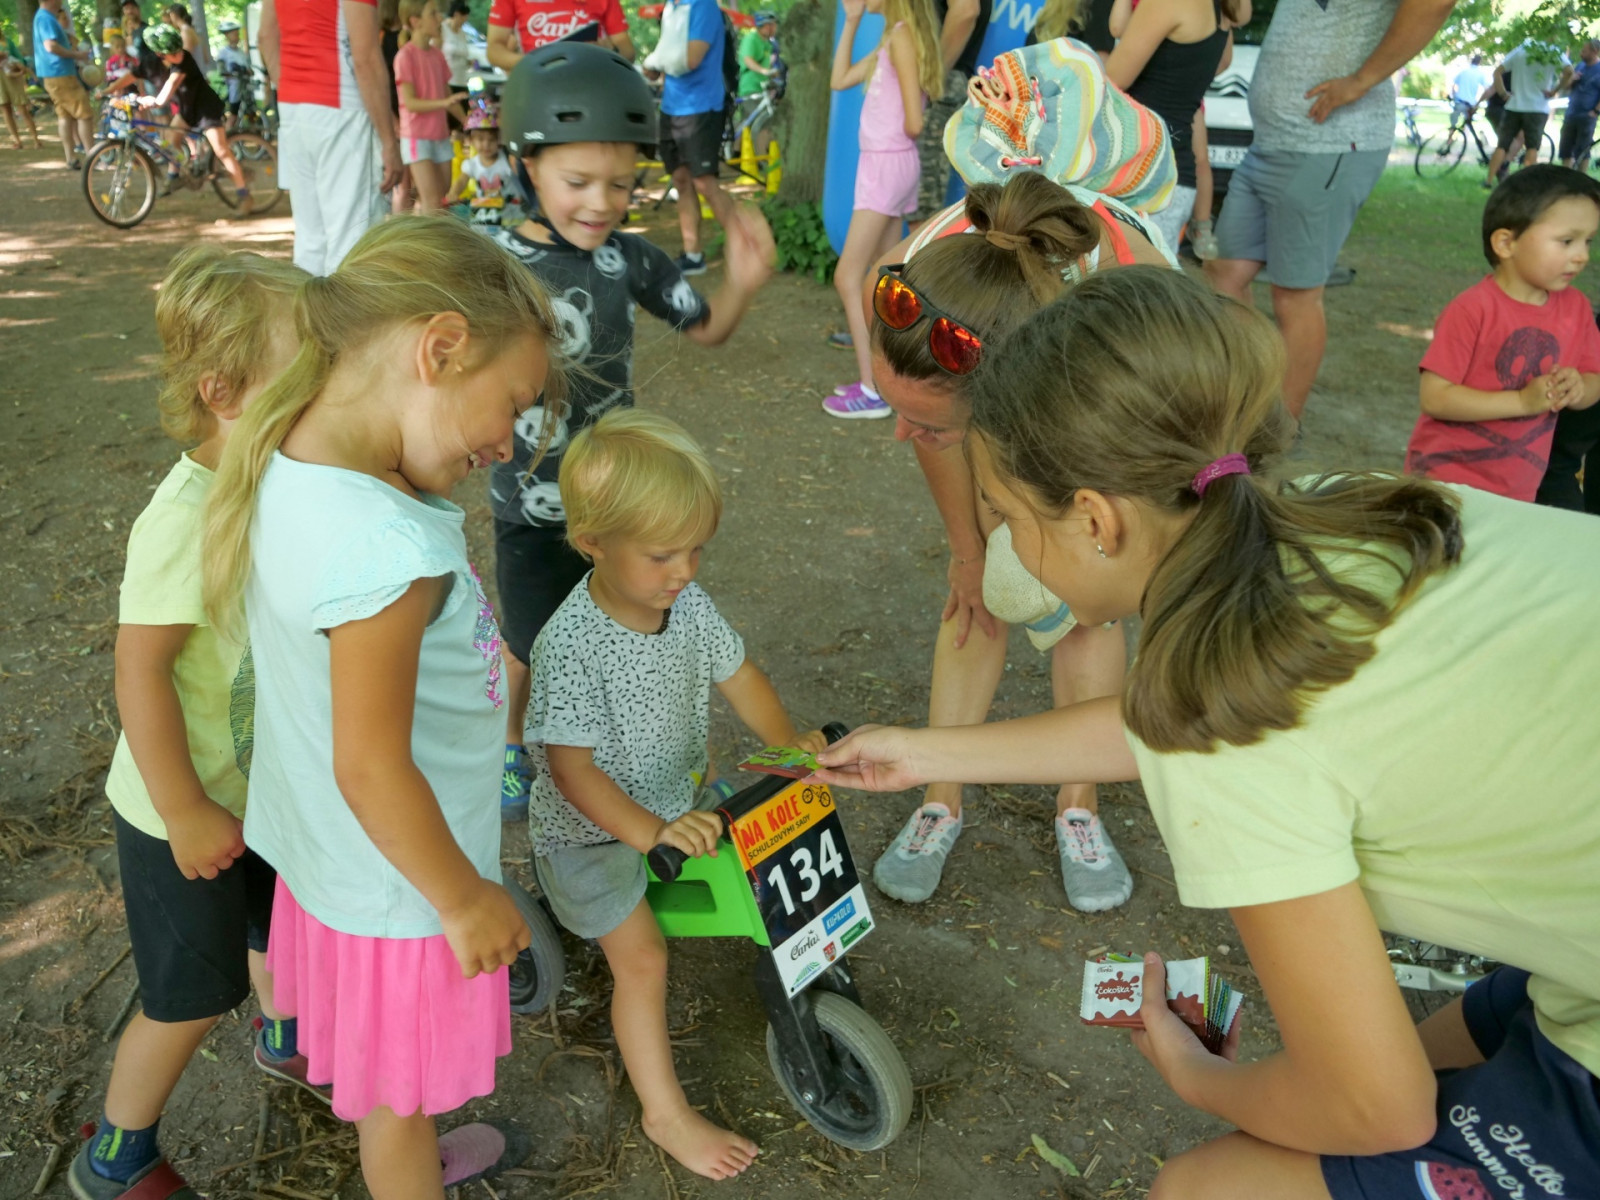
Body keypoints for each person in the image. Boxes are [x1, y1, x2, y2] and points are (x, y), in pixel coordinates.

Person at [814, 264, 1600, 1198]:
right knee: (1432, 1055)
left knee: (1203, 1187)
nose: (1009, 548)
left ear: (1096, 520)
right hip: (1575, 965)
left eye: (1011, 519)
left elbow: (1376, 1109)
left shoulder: (1233, 728)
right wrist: (924, 752)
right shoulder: (1325, 506)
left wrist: (1198, 1078)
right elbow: (1185, 725)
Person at [201, 217, 555, 1197]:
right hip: (403, 891)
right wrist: (463, 897)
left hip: (337, 865)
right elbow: (371, 764)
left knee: (384, 1078)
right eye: (511, 405)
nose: (507, 444)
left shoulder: (289, 461)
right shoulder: (384, 555)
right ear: (439, 349)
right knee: (396, 1106)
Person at [68, 248, 311, 1200]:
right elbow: (141, 671)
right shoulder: (183, 518)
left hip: (258, 789)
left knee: (277, 923)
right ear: (222, 392)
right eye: (301, 379)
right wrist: (184, 810)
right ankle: (117, 1154)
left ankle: (285, 1035)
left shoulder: (277, 483)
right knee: (189, 994)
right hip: (181, 809)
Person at [525, 408, 823, 1180]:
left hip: (674, 801)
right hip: (593, 837)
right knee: (644, 960)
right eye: (663, 554)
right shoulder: (572, 645)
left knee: (758, 848)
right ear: (592, 541)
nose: (685, 570)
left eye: (696, 549)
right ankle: (665, 1113)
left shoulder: (684, 604)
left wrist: (790, 751)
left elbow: (740, 675)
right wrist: (649, 834)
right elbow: (572, 772)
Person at [864, 172, 1175, 911]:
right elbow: (937, 437)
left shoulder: (1126, 340)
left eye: (922, 421)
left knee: (1085, 605)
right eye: (893, 408)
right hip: (1004, 374)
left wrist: (1077, 572)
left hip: (1092, 392)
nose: (900, 434)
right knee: (976, 589)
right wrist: (969, 552)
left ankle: (1079, 801)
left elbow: (1108, 570)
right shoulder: (924, 287)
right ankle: (940, 793)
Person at [490, 42, 776, 827]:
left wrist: (742, 282)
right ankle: (511, 743)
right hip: (532, 507)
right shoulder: (495, 264)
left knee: (627, 625)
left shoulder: (632, 260)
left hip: (620, 502)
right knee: (530, 639)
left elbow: (706, 325)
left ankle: (622, 756)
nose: (601, 203)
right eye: (578, 182)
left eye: (619, 184)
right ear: (527, 166)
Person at [1204, 0, 1458, 420]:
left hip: (1329, 143)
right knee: (1223, 276)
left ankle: (1278, 431)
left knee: (1295, 296)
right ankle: (1246, 399)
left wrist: (1362, 80)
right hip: (1271, 143)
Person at [1404, 166, 1600, 502]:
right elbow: (1435, 397)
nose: (1582, 256)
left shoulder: (1577, 309)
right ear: (1506, 243)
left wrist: (1578, 389)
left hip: (1518, 489)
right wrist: (1522, 402)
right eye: (1567, 241)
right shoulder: (1472, 310)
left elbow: (1595, 378)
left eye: (1588, 241)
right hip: (1443, 484)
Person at [824, 0, 944, 413]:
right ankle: (891, 381)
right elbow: (839, 79)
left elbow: (914, 121)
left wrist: (890, 134)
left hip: (886, 163)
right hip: (887, 163)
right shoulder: (893, 38)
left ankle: (873, 389)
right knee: (886, 279)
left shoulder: (901, 38)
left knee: (848, 276)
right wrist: (852, 21)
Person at [258, 0, 404, 276]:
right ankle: (344, 306)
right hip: (342, 108)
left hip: (294, 109)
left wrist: (294, 89)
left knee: (310, 239)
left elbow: (266, 37)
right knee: (352, 241)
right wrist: (389, 142)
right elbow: (366, 59)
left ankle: (308, 304)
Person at [1104, 0, 1250, 256]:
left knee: (1123, 277)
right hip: (1175, 174)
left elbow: (1111, 81)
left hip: (1141, 173)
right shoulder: (1227, 7)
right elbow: (1223, 61)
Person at [655, 0, 737, 275]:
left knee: (704, 182)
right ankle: (693, 255)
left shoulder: (703, 6)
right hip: (671, 106)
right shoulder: (671, 7)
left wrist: (654, 61)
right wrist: (654, 65)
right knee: (681, 180)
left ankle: (745, 246)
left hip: (702, 106)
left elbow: (690, 59)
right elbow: (666, 57)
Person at [137, 25, 255, 212]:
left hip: (206, 109)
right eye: (172, 53)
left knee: (221, 151)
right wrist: (107, 91)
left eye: (178, 49)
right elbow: (132, 76)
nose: (178, 54)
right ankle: (174, 176)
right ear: (160, 54)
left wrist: (156, 102)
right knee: (170, 140)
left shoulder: (184, 60)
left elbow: (171, 84)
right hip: (188, 110)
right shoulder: (156, 63)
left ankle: (244, 195)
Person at [908, 0, 987, 229]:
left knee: (921, 208)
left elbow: (966, 9)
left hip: (940, 85)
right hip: (938, 84)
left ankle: (926, 255)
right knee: (911, 204)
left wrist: (931, 77)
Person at [394, 0, 466, 211]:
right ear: (415, 21)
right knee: (432, 202)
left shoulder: (437, 55)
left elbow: (449, 97)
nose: (440, 18)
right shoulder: (405, 56)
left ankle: (425, 227)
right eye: (433, 14)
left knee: (441, 202)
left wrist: (468, 122)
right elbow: (410, 103)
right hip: (417, 137)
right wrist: (444, 102)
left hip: (440, 135)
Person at [1485, 38, 1570, 185]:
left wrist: (1503, 94)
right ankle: (1527, 184)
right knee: (1532, 147)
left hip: (1514, 106)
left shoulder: (1520, 50)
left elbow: (1497, 73)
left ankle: (1489, 181)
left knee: (1502, 145)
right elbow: (1569, 71)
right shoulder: (1552, 52)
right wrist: (1555, 90)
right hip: (1537, 108)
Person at [32, 0, 97, 170]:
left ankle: (71, 158)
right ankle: (92, 157)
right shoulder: (46, 18)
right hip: (60, 73)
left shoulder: (43, 17)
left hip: (53, 74)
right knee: (84, 114)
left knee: (65, 116)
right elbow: (51, 46)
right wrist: (77, 55)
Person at [485, 0, 633, 71]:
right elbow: (494, 49)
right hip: (535, 83)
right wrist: (531, 62)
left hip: (591, 81)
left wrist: (609, 52)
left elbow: (628, 50)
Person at [445, 105, 523, 221]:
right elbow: (462, 180)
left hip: (510, 212)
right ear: (471, 140)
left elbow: (520, 180)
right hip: (484, 213)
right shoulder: (472, 164)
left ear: (499, 140)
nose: (486, 145)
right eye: (480, 139)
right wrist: (454, 193)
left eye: (491, 140)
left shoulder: (507, 161)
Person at [735, 10, 778, 156]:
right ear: (764, 25)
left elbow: (767, 65)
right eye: (771, 25)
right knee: (763, 122)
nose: (774, 28)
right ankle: (761, 158)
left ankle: (736, 153)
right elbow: (748, 60)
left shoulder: (768, 44)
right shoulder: (751, 39)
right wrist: (763, 71)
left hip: (762, 87)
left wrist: (772, 74)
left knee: (747, 122)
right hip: (750, 87)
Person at [1558, 39, 1600, 171]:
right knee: (1565, 148)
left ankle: (1581, 178)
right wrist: (1572, 79)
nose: (1581, 53)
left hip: (1587, 116)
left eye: (1584, 51)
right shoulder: (1580, 66)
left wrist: (1595, 111)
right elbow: (1566, 88)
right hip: (1571, 114)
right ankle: (1566, 177)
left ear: (1594, 52)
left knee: (1582, 150)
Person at [0, 34, 43, 150]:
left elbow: (19, 58)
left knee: (23, 109)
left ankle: (36, 139)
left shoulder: (6, 41)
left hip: (13, 78)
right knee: (6, 110)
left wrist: (17, 65)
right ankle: (17, 140)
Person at [215, 19, 252, 130]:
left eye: (237, 33)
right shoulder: (223, 53)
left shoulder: (241, 52)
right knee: (233, 116)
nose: (237, 36)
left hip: (245, 88)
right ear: (227, 35)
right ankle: (227, 135)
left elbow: (248, 68)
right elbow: (221, 71)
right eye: (234, 34)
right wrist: (232, 74)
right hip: (233, 90)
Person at [440, 0, 473, 86]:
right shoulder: (442, 29)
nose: (464, 22)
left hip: (461, 80)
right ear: (456, 15)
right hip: (447, 81)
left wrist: (468, 62)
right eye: (463, 18)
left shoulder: (462, 34)